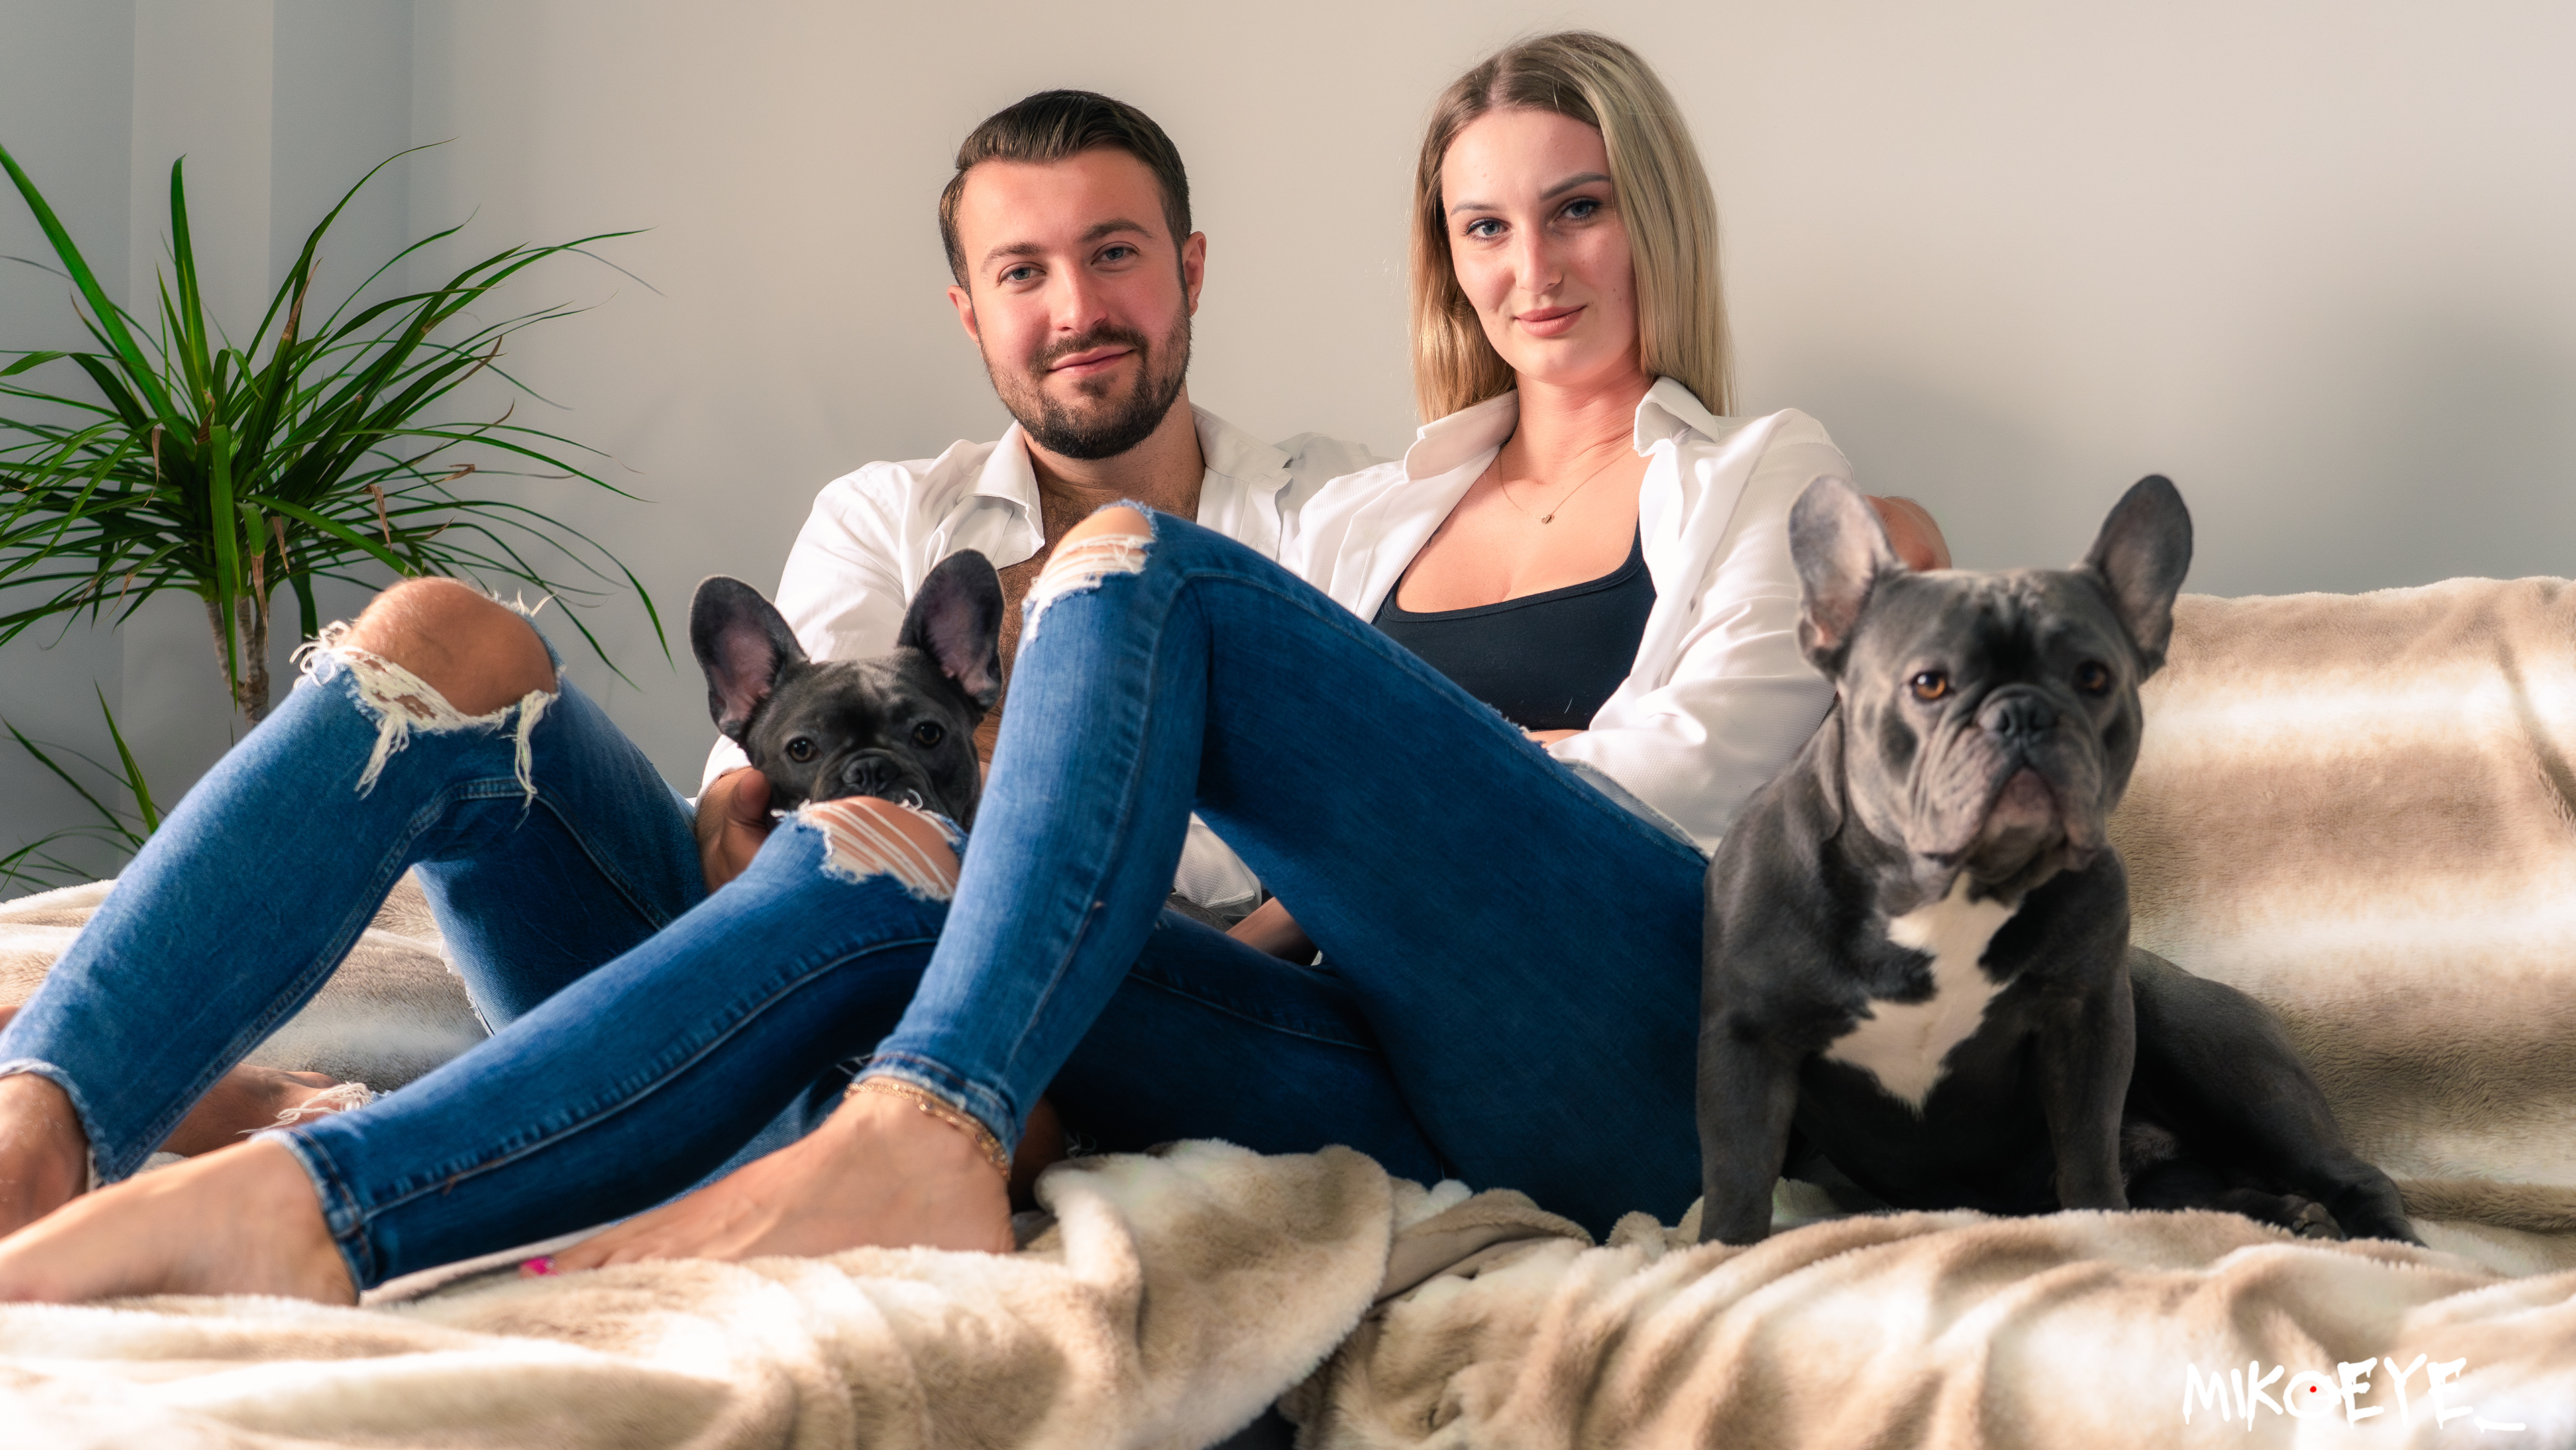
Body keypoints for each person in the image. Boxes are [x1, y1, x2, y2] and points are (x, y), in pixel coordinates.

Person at [0, 37, 1950, 1302]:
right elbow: (750, 810)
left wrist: (1873, 595)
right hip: (925, 942)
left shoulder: (1351, 515)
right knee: (466, 648)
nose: (1076, 306)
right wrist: (926, 808)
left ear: (1193, 269)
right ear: (970, 306)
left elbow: (1618, 784)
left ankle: (363, 1171)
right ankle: (54, 1130)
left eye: (1579, 209)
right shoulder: (1371, 515)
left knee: (1032, 705)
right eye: (1025, 271)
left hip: (1358, 1003)